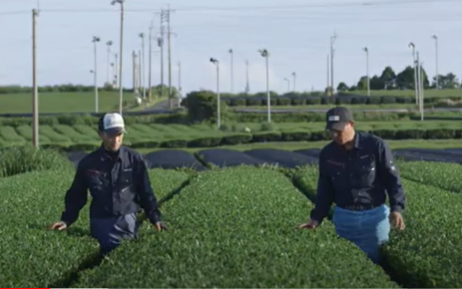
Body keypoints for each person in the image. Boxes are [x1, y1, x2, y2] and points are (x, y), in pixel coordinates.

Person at [299, 107, 406, 264]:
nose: (335, 135)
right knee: (347, 265)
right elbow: (325, 188)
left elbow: (392, 180)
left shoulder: (376, 146)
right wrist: (316, 218)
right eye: (331, 131)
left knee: (377, 266)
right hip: (344, 219)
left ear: (351, 124)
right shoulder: (328, 153)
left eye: (338, 130)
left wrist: (396, 209)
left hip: (374, 218)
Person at [49, 112, 166, 255]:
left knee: (125, 258)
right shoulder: (89, 163)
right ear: (100, 134)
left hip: (127, 220)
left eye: (119, 134)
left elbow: (145, 191)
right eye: (111, 135)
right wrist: (66, 220)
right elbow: (77, 195)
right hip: (100, 222)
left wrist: (156, 218)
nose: (115, 139)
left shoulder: (134, 159)